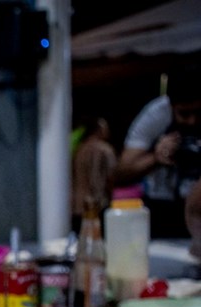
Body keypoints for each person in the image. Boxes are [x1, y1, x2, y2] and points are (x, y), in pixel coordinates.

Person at [112, 66, 201, 238]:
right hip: (163, 211)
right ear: (171, 105)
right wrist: (155, 157)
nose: (192, 121)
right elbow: (121, 173)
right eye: (184, 113)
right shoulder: (157, 114)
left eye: (199, 113)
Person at [70, 116, 116, 231]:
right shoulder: (104, 149)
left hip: (76, 206)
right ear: (99, 129)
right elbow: (112, 176)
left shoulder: (79, 149)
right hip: (96, 207)